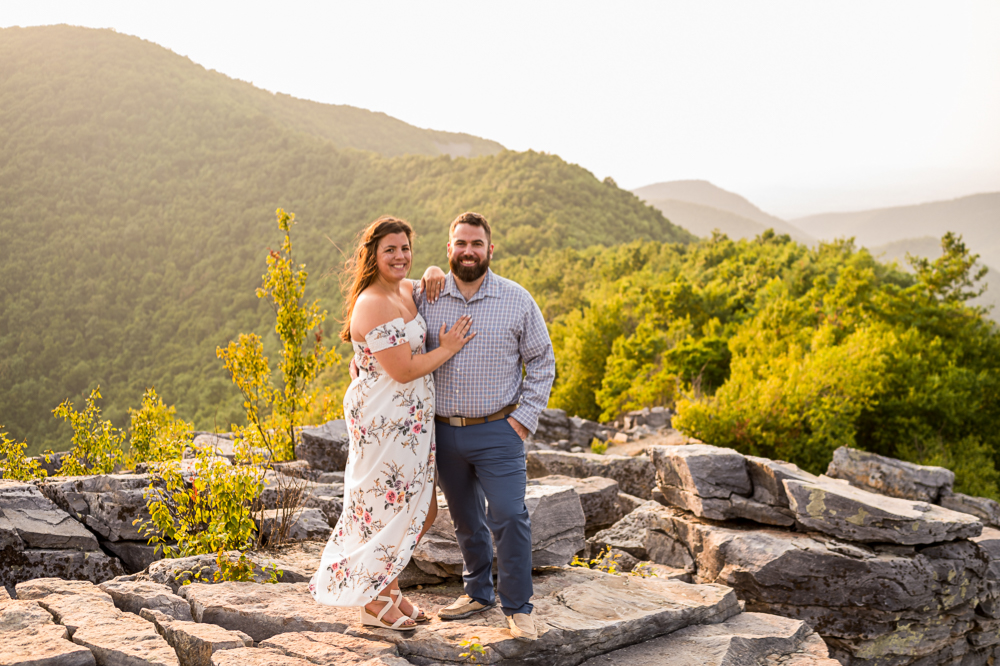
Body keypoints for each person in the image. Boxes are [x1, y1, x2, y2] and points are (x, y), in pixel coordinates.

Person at [309, 215, 475, 631]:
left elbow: (426, 282)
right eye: (391, 250)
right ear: (372, 255)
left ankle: (387, 588)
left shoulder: (404, 288)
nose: (400, 257)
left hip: (411, 422)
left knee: (422, 509)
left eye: (406, 248)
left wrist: (436, 270)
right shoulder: (372, 302)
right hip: (384, 420)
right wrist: (450, 347)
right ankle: (373, 599)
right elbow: (402, 370)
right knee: (386, 508)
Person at [415, 212, 555, 642]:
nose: (468, 251)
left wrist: (522, 421)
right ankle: (477, 593)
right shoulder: (428, 296)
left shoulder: (517, 300)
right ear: (449, 248)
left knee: (510, 515)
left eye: (476, 244)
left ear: (490, 249)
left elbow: (543, 362)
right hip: (443, 432)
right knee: (465, 519)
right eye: (460, 244)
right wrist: (428, 273)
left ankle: (518, 607)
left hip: (499, 431)